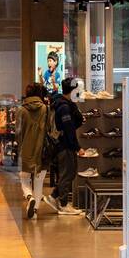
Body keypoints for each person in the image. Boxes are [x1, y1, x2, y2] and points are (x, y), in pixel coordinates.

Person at [46, 78, 85, 216]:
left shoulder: (65, 104)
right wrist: (77, 147)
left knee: (69, 173)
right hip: (64, 145)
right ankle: (63, 205)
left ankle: (53, 197)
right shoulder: (64, 107)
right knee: (67, 174)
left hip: (63, 144)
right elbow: (69, 130)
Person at [16, 83, 53, 220]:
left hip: (26, 150)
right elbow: (50, 128)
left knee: (24, 178)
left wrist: (21, 146)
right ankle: (35, 211)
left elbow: (18, 133)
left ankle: (29, 197)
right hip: (42, 150)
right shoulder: (45, 108)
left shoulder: (21, 110)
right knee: (39, 181)